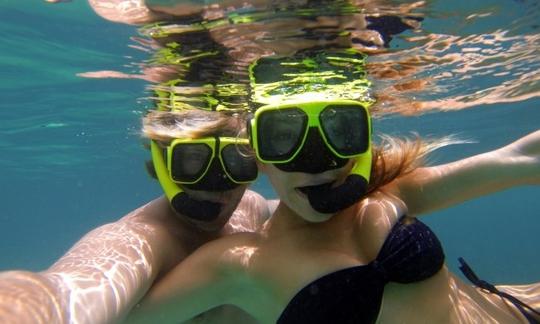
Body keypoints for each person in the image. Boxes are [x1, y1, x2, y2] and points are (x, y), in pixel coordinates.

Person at [124, 43, 540, 323]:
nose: (316, 163)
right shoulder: (236, 263)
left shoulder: (388, 192)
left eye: (340, 130)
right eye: (282, 137)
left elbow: (519, 158)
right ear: (256, 153)